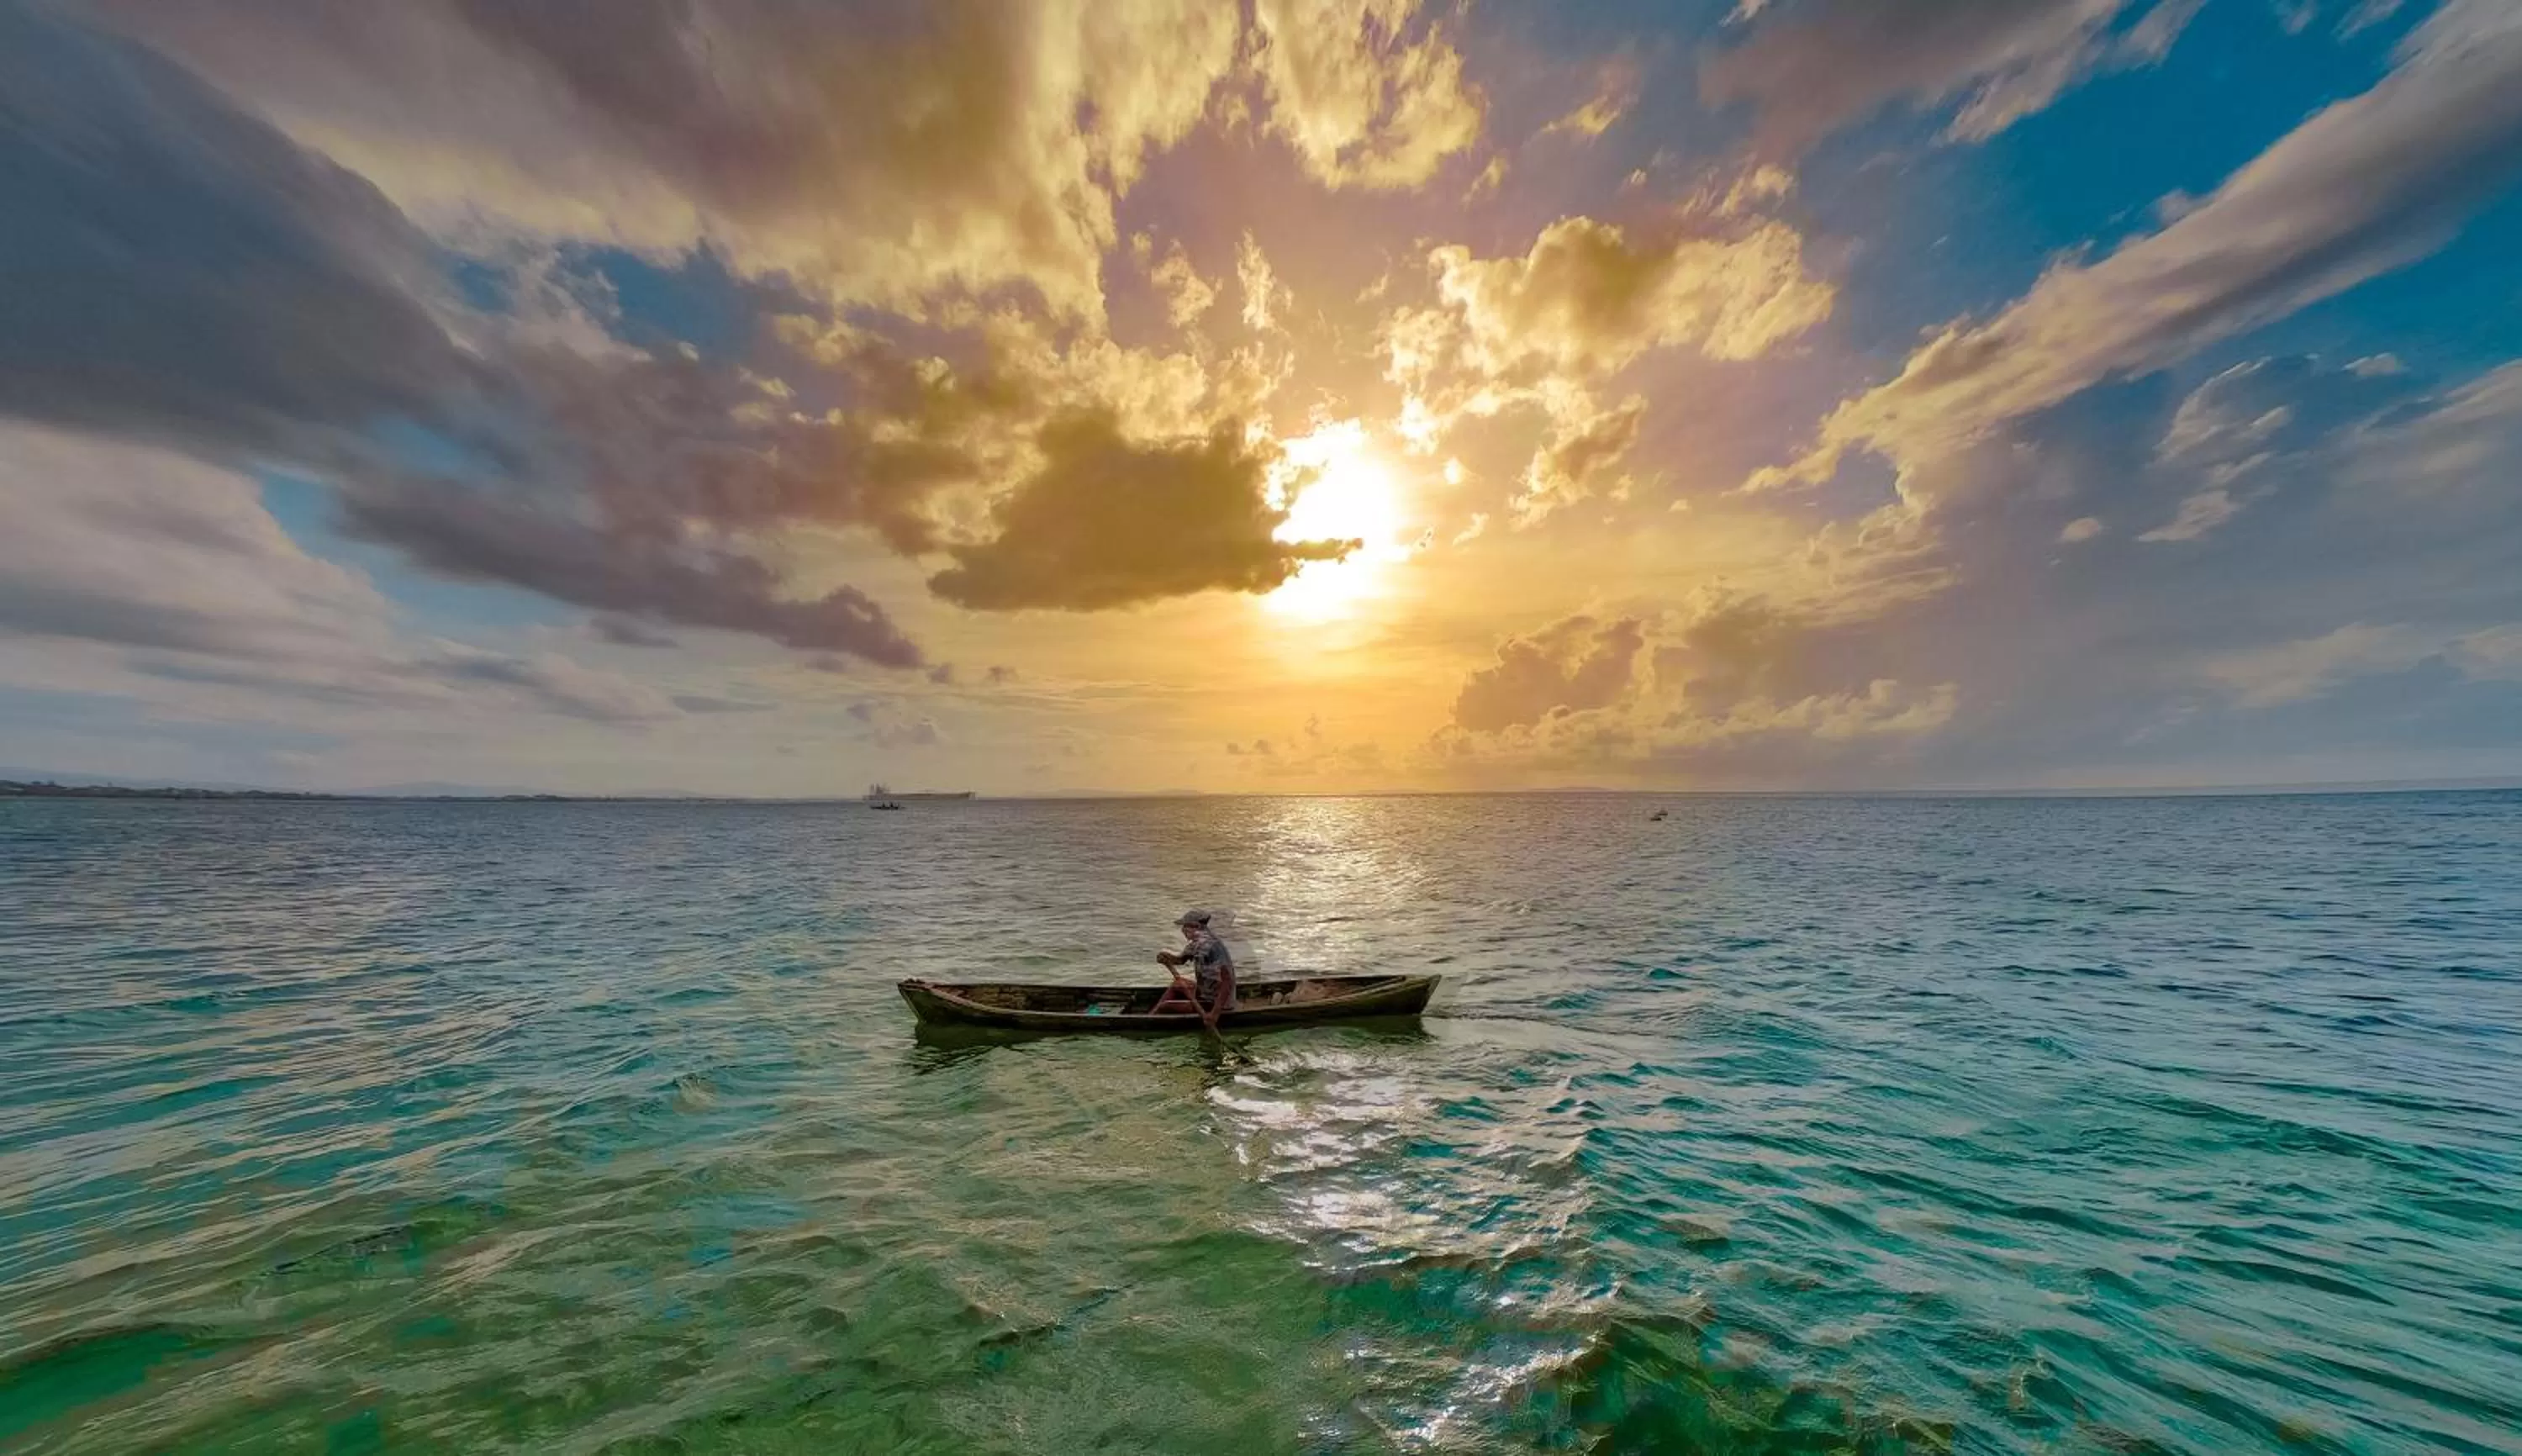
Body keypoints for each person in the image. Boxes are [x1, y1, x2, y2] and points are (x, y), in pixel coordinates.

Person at [1152, 909, 1235, 1028]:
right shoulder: (1195, 944)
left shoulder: (1213, 947)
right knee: (1177, 984)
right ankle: (1151, 1016)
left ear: (1196, 927)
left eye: (1185, 927)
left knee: (1165, 1006)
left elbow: (1227, 981)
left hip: (1216, 1002)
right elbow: (1180, 960)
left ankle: (1150, 1020)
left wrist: (1214, 1015)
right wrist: (1165, 956)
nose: (1182, 930)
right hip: (1204, 992)